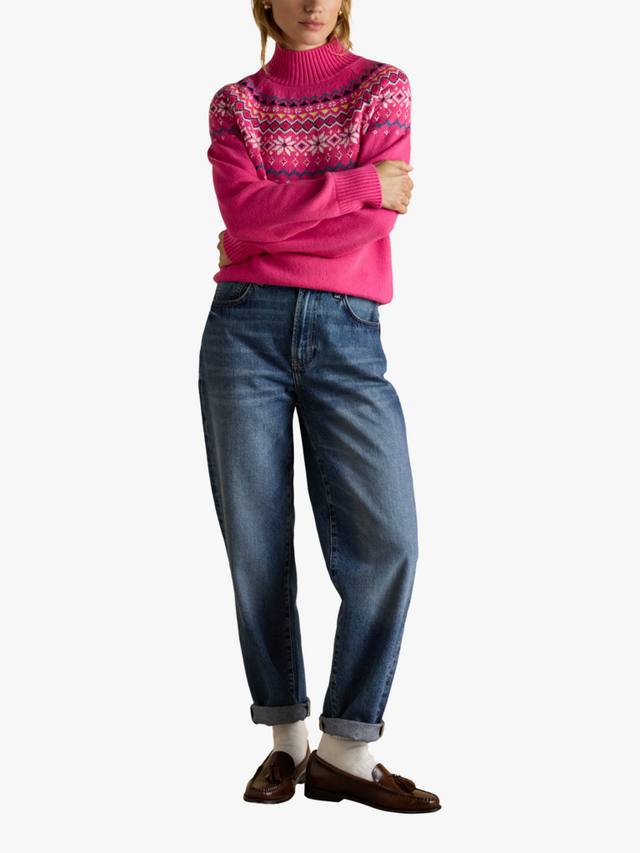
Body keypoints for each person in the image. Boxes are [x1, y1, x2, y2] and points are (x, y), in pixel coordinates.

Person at [198, 1, 441, 813]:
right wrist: (360, 184)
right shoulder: (237, 104)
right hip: (243, 333)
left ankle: (347, 747)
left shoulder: (381, 88)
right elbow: (243, 213)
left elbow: (360, 231)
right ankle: (286, 740)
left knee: (389, 539)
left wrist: (263, 234)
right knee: (256, 545)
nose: (311, 3)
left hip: (347, 334)